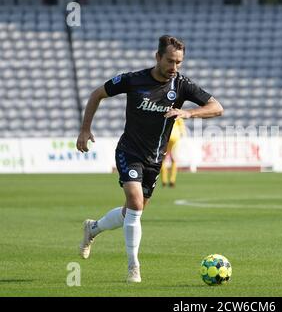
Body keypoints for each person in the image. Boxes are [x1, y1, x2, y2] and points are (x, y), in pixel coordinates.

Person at [76, 35, 224, 283]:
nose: (174, 67)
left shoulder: (181, 85)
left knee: (132, 211)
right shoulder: (133, 80)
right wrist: (84, 129)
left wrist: (188, 112)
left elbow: (216, 107)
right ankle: (134, 267)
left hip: (155, 160)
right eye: (170, 61)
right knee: (134, 203)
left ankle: (93, 228)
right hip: (128, 152)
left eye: (178, 62)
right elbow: (96, 94)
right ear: (157, 57)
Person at [161, 117, 186, 187]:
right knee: (173, 159)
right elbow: (182, 127)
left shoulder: (165, 111)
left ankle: (164, 180)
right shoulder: (177, 112)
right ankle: (172, 180)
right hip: (175, 137)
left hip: (166, 136)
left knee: (163, 159)